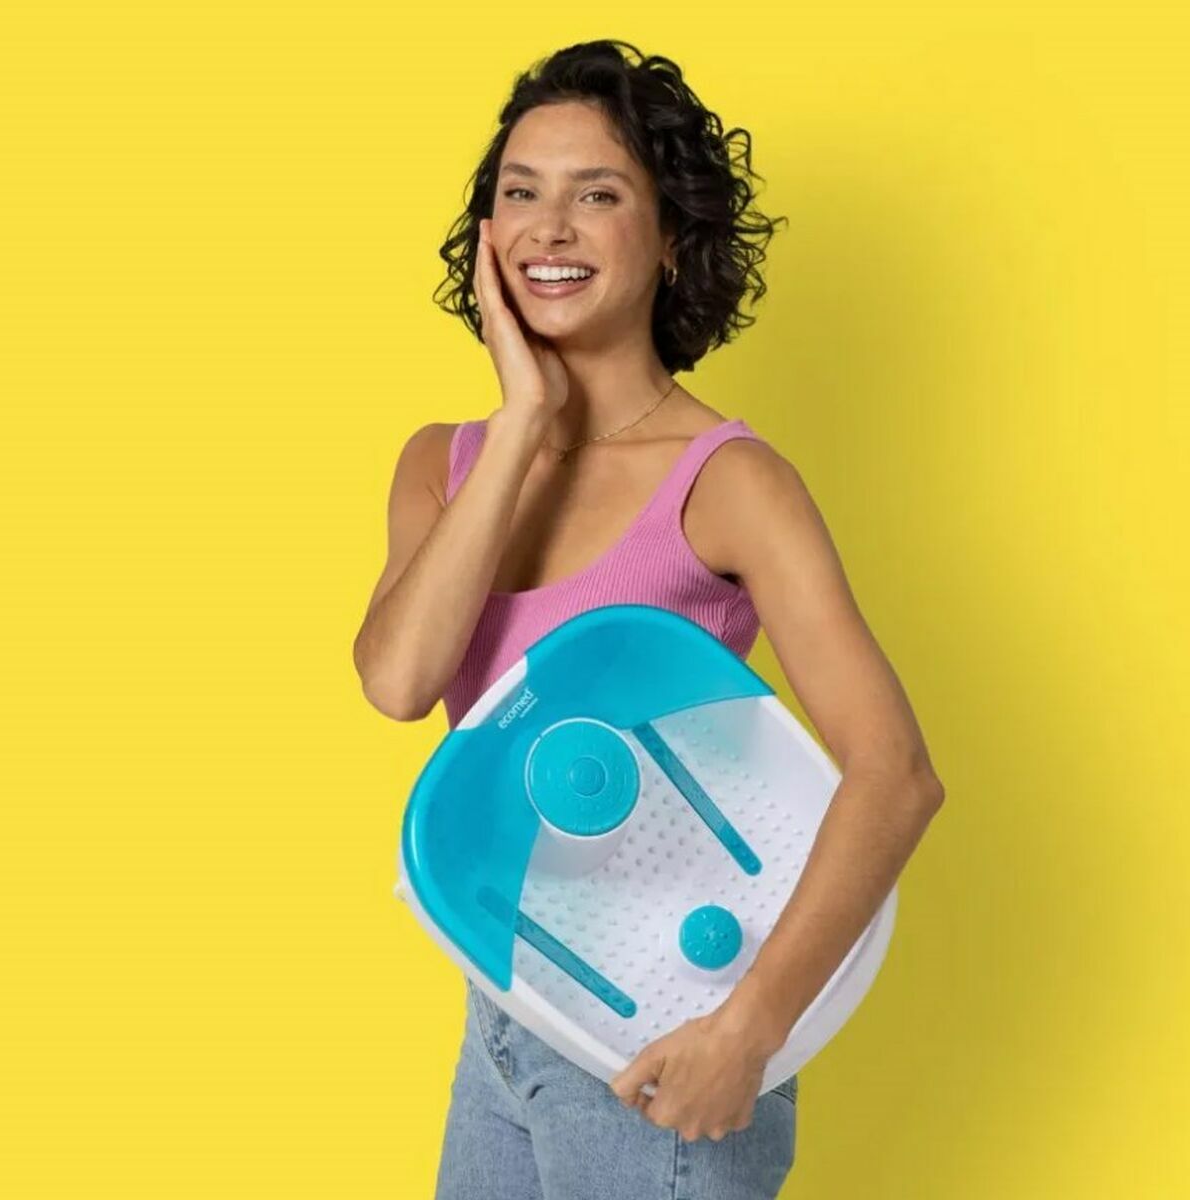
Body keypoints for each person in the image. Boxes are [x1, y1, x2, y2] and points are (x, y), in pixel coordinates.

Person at [352, 38, 945, 1200]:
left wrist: (752, 1030)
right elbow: (398, 682)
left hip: (668, 1032)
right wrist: (523, 422)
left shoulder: (729, 483)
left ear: (671, 238)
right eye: (520, 192)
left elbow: (897, 775)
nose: (550, 228)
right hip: (510, 1009)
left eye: (598, 195)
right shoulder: (444, 464)